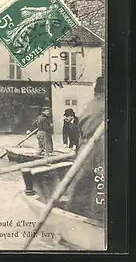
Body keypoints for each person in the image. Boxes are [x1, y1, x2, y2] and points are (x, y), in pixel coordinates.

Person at [63, 76, 105, 222]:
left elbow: (78, 132)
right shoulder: (103, 106)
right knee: (98, 187)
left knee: (81, 186)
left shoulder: (91, 105)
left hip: (85, 151)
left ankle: (74, 212)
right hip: (98, 152)